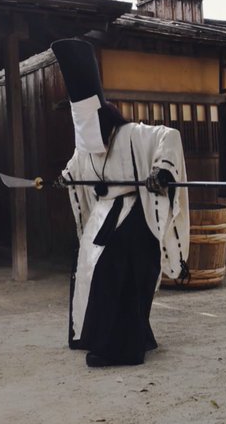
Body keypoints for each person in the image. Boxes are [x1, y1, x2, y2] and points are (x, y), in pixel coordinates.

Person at [51, 38, 190, 367]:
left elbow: (169, 137)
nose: (85, 135)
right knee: (86, 265)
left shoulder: (132, 134)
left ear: (102, 118)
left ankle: (121, 349)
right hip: (103, 216)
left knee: (114, 268)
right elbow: (75, 167)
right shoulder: (86, 148)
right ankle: (95, 335)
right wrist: (64, 179)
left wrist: (161, 172)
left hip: (133, 212)